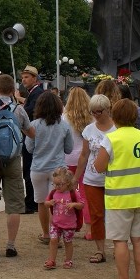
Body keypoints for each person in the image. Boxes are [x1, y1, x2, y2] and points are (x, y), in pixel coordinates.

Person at [93, 98, 140, 279]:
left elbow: (99, 166)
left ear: (114, 116)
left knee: (120, 241)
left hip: (119, 198)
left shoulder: (112, 138)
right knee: (139, 240)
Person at [0, 74, 34, 257]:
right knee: (14, 203)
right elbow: (30, 132)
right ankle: (11, 245)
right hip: (13, 159)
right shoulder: (19, 109)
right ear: (13, 90)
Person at [25, 91, 73, 245]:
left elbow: (29, 148)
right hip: (57, 169)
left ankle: (46, 234)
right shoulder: (64, 126)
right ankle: (56, 233)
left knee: (41, 203)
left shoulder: (33, 125)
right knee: (57, 202)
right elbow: (69, 148)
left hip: (38, 168)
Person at [74, 94, 116, 263]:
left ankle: (117, 246)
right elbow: (84, 155)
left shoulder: (117, 129)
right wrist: (76, 177)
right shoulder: (89, 129)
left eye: (99, 111)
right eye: (93, 112)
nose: (96, 115)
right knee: (96, 215)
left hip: (114, 179)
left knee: (115, 215)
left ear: (108, 110)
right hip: (92, 179)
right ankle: (100, 250)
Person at [62, 87, 92, 238]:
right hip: (85, 158)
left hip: (68, 158)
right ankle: (89, 229)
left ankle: (69, 223)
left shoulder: (64, 117)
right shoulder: (91, 117)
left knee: (67, 193)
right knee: (86, 195)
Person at [15, 65, 44, 213]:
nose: (23, 80)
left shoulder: (37, 93)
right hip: (31, 135)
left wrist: (18, 109)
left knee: (29, 168)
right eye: (23, 77)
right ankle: (32, 200)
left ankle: (31, 202)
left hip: (32, 135)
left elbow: (30, 111)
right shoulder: (33, 93)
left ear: (34, 78)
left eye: (27, 77)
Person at [43, 167, 84, 270]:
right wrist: (49, 203)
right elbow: (45, 203)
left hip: (69, 225)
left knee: (68, 242)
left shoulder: (73, 193)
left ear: (68, 183)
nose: (56, 187)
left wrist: (74, 204)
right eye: (54, 184)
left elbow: (82, 205)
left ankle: (68, 260)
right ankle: (51, 260)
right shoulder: (53, 193)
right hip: (55, 223)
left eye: (59, 184)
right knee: (53, 240)